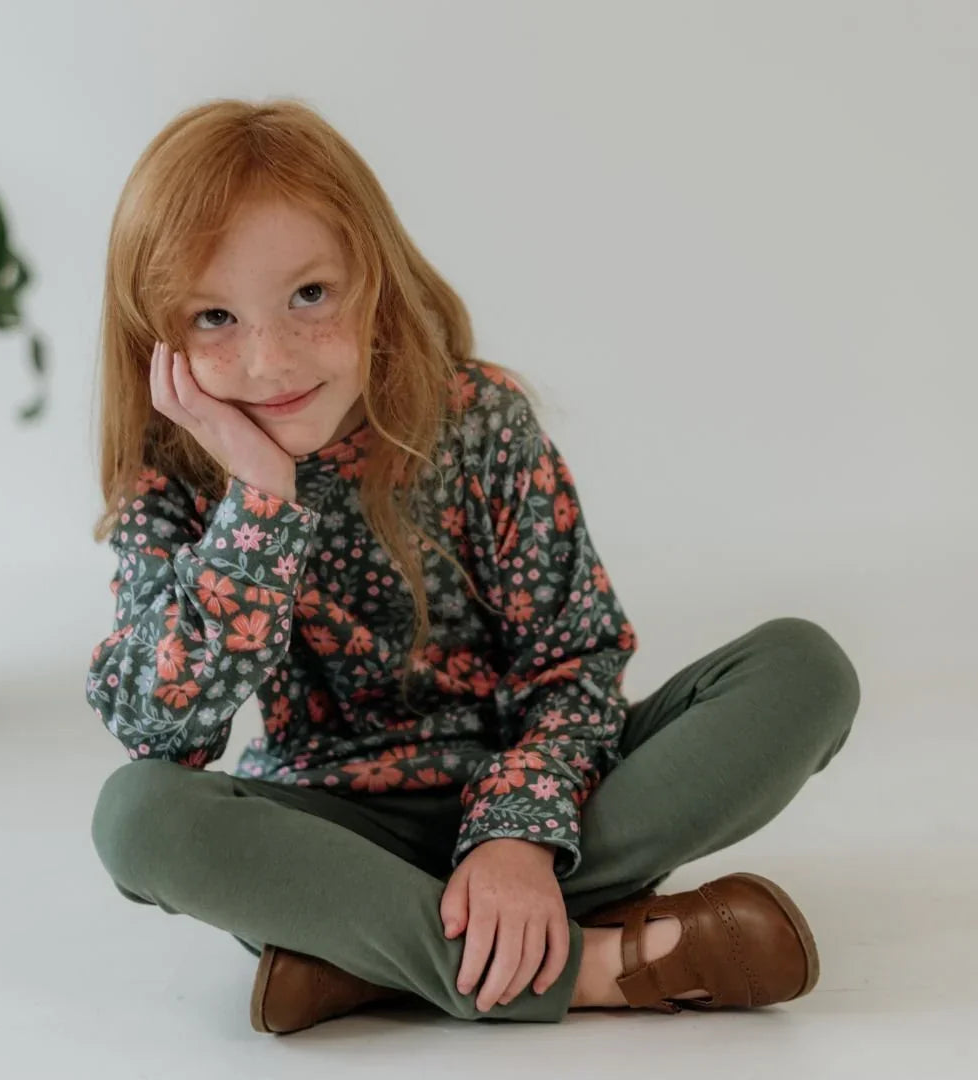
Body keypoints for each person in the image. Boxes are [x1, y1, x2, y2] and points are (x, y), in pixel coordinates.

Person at [85, 97, 862, 1035]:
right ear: (155, 339)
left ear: (373, 276)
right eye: (215, 316)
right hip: (334, 834)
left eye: (309, 295)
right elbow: (162, 733)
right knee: (137, 816)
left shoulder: (477, 421)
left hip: (553, 795)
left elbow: (575, 664)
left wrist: (518, 838)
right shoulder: (172, 480)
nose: (270, 357)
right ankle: (593, 966)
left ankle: (373, 957)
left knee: (801, 668)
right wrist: (259, 502)